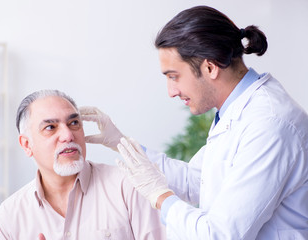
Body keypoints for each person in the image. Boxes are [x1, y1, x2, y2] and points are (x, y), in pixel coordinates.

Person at [80, 5, 308, 240]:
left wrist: (161, 198)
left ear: (209, 67)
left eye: (173, 76)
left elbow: (220, 235)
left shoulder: (269, 124)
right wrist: (119, 142)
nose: (171, 91)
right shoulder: (235, 111)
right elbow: (197, 180)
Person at [0, 90, 166, 239]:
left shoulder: (128, 187)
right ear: (26, 144)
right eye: (50, 127)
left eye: (73, 123)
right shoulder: (9, 216)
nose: (68, 135)